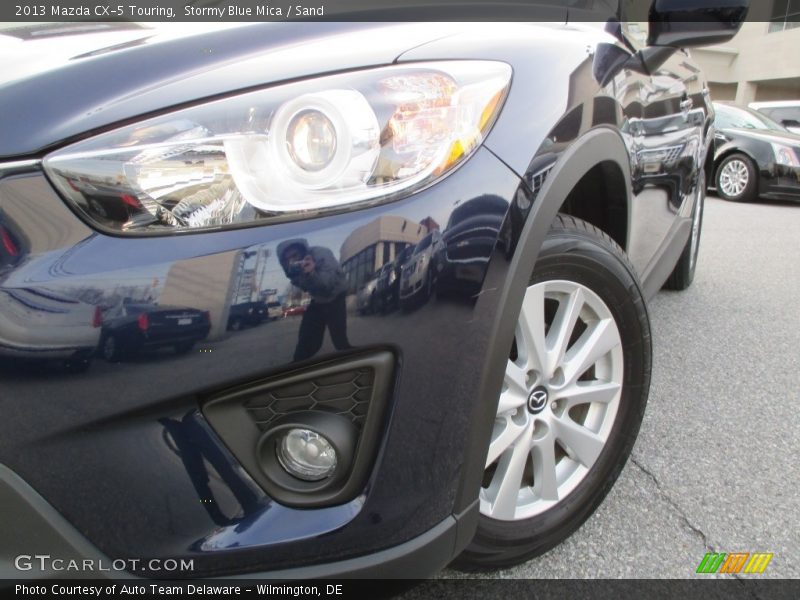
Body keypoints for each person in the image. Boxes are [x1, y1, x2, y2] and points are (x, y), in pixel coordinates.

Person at [277, 238, 352, 361]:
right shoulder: (293, 270)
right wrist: (302, 274)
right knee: (307, 336)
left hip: (335, 296)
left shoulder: (321, 254)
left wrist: (311, 273)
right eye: (288, 259)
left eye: (295, 255)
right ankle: (298, 363)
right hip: (319, 300)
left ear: (302, 251)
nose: (292, 260)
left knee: (339, 339)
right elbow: (305, 287)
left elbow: (327, 284)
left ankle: (352, 357)